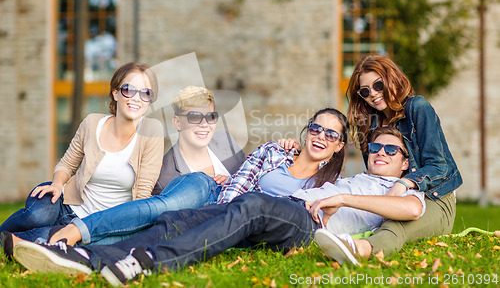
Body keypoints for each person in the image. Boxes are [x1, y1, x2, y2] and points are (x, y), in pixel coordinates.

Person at [12, 127, 426, 287]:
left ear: (406, 162)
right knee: (179, 216)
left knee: (253, 207)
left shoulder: (402, 187)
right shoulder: (345, 176)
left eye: (392, 149)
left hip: (304, 222)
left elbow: (411, 211)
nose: (382, 152)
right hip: (283, 207)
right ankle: (87, 256)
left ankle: (149, 261)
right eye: (376, 146)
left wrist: (341, 198)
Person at [44, 86, 245, 246]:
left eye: (210, 117)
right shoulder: (165, 174)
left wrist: (233, 182)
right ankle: (69, 235)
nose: (204, 124)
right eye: (194, 117)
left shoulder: (225, 142)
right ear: (177, 122)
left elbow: (253, 175)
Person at [0, 62, 164, 252]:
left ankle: (16, 241)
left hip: (92, 225)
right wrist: (57, 184)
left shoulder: (152, 130)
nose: (137, 98)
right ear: (115, 93)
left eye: (145, 93)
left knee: (50, 238)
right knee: (38, 216)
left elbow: (143, 194)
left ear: (150, 100)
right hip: (68, 205)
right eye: (129, 89)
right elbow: (68, 163)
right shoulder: (92, 123)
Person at [341, 54, 462, 263]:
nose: (373, 94)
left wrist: (403, 183)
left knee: (396, 225)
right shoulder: (371, 124)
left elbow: (440, 166)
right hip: (388, 197)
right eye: (365, 91)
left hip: (434, 198)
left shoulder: (418, 108)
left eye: (378, 85)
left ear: (391, 79)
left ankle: (361, 250)